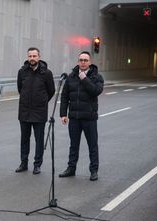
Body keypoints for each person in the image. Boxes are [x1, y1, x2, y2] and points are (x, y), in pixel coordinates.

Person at [59, 51, 104, 181]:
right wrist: (63, 114)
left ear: (90, 62)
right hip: (74, 117)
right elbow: (64, 96)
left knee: (92, 145)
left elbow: (95, 91)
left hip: (89, 118)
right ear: (78, 61)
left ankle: (94, 171)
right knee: (73, 145)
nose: (83, 62)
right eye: (81, 60)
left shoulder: (96, 77)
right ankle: (71, 168)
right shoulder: (71, 77)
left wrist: (84, 78)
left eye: (85, 60)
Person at [15, 47, 55, 175]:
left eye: (34, 56)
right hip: (24, 112)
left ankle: (37, 165)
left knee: (39, 140)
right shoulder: (22, 72)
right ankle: (23, 163)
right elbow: (20, 89)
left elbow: (51, 91)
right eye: (30, 56)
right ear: (27, 57)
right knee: (24, 139)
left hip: (39, 112)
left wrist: (42, 102)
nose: (32, 58)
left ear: (39, 56)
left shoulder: (46, 73)